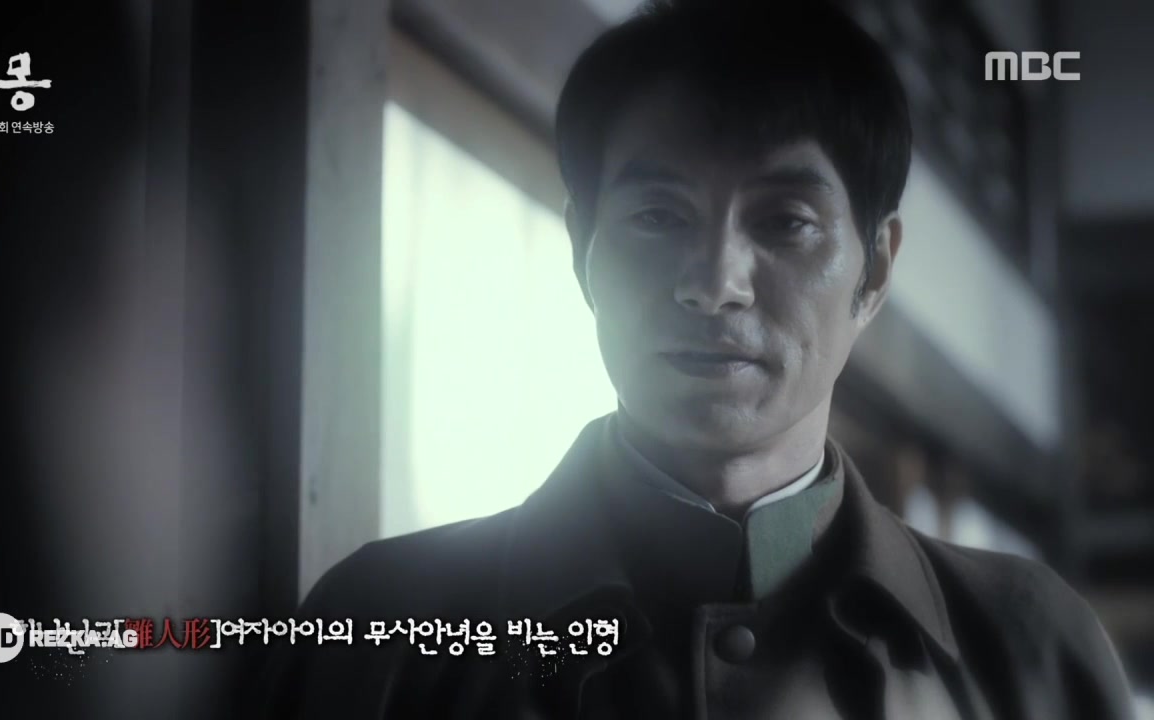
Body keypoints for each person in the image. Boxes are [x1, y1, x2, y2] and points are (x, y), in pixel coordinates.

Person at [257, 0, 1133, 717]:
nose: (715, 284)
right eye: (657, 216)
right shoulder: (386, 627)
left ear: (874, 270)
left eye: (785, 221)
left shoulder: (1026, 646)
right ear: (582, 252)